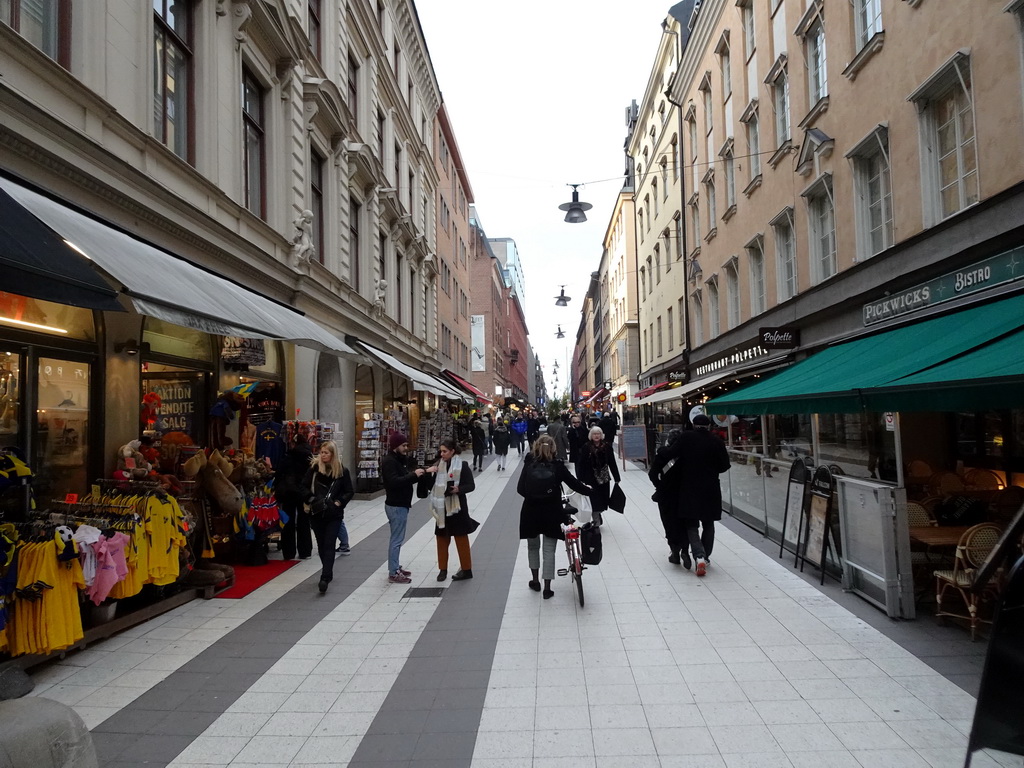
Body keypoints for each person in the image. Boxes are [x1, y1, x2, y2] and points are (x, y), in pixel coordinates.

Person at [517, 435, 591, 599]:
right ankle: (547, 588)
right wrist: (590, 491)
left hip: (530, 511)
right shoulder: (557, 466)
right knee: (549, 550)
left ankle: (535, 581)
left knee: (533, 547)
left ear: (536, 447)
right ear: (553, 448)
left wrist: (533, 496)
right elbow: (574, 484)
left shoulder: (529, 463)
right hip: (552, 512)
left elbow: (520, 489)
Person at [660, 414, 731, 576]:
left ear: (693, 424)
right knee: (708, 522)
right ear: (708, 426)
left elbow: (671, 453)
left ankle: (698, 555)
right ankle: (705, 557)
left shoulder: (686, 437)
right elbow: (724, 465)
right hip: (710, 487)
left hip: (689, 487)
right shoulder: (716, 441)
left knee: (691, 524)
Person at [301, 440, 354, 593]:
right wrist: (311, 499)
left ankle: (325, 577)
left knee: (329, 544)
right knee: (322, 545)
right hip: (316, 513)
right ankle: (327, 571)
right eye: (321, 452)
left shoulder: (342, 471)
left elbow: (349, 491)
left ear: (332, 454)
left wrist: (339, 502)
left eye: (326, 452)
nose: (322, 455)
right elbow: (303, 487)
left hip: (333, 514)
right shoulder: (314, 469)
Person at [429, 439, 479, 581]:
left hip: (457, 508)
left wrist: (458, 489)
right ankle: (442, 570)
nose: (442, 454)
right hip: (442, 508)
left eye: (445, 451)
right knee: (442, 539)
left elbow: (471, 485)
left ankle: (466, 569)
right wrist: (429, 473)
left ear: (452, 451)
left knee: (461, 539)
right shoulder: (438, 465)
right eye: (441, 451)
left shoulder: (462, 466)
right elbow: (430, 486)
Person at [381, 432, 426, 584]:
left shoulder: (399, 460)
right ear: (395, 446)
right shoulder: (390, 462)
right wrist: (414, 475)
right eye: (403, 445)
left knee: (398, 539)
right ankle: (393, 572)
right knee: (396, 539)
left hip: (401, 504)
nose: (406, 448)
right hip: (396, 505)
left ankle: (395, 566)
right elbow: (394, 482)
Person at [648, 430, 689, 567]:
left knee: (669, 522)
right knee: (684, 522)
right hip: (683, 494)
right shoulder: (687, 454)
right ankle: (685, 549)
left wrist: (659, 486)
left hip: (666, 495)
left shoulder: (662, 454)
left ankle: (675, 551)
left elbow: (653, 473)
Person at [277, 434, 314, 560]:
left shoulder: (288, 457)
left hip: (289, 492)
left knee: (288, 521)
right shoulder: (309, 457)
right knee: (304, 521)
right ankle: (305, 551)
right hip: (304, 492)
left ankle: (288, 552)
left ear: (293, 443)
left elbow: (279, 473)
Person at [575, 426, 621, 526]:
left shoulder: (607, 446)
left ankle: (598, 514)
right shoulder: (586, 447)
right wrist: (580, 478)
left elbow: (612, 462)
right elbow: (581, 463)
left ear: (601, 435)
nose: (596, 436)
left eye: (598, 434)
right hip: (590, 478)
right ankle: (596, 519)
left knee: (603, 500)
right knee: (593, 500)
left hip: (604, 478)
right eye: (594, 434)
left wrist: (617, 477)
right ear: (591, 436)